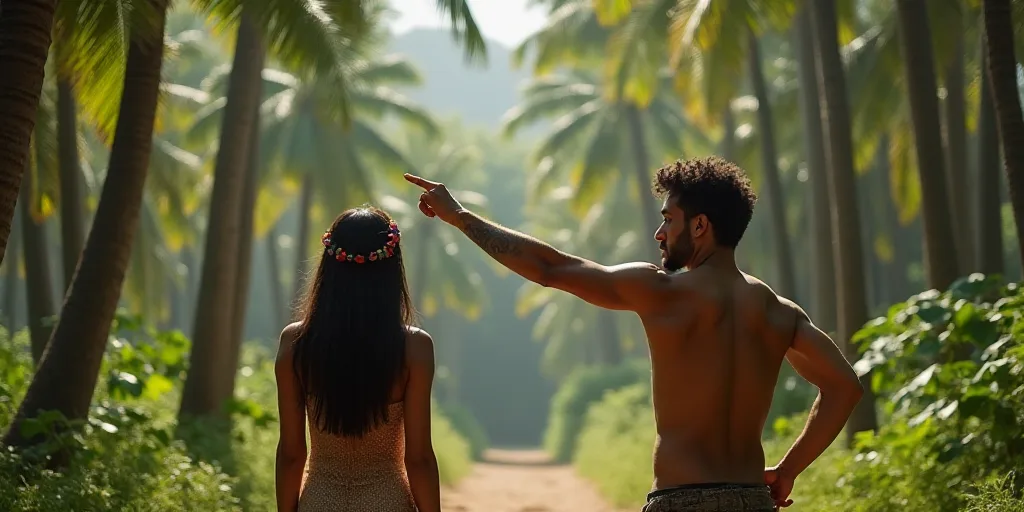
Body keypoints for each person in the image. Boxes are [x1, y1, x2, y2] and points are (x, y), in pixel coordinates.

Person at [405, 156, 865, 512]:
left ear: (700, 225)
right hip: (751, 501)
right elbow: (844, 387)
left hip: (681, 501)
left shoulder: (662, 291)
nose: (659, 233)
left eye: (668, 218)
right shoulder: (778, 312)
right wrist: (787, 471)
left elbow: (551, 269)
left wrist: (460, 217)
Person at [274, 207, 440, 512]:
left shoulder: (296, 343)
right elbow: (418, 459)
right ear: (393, 268)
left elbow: (291, 454)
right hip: (387, 502)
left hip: (319, 503)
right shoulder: (415, 348)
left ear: (328, 265)